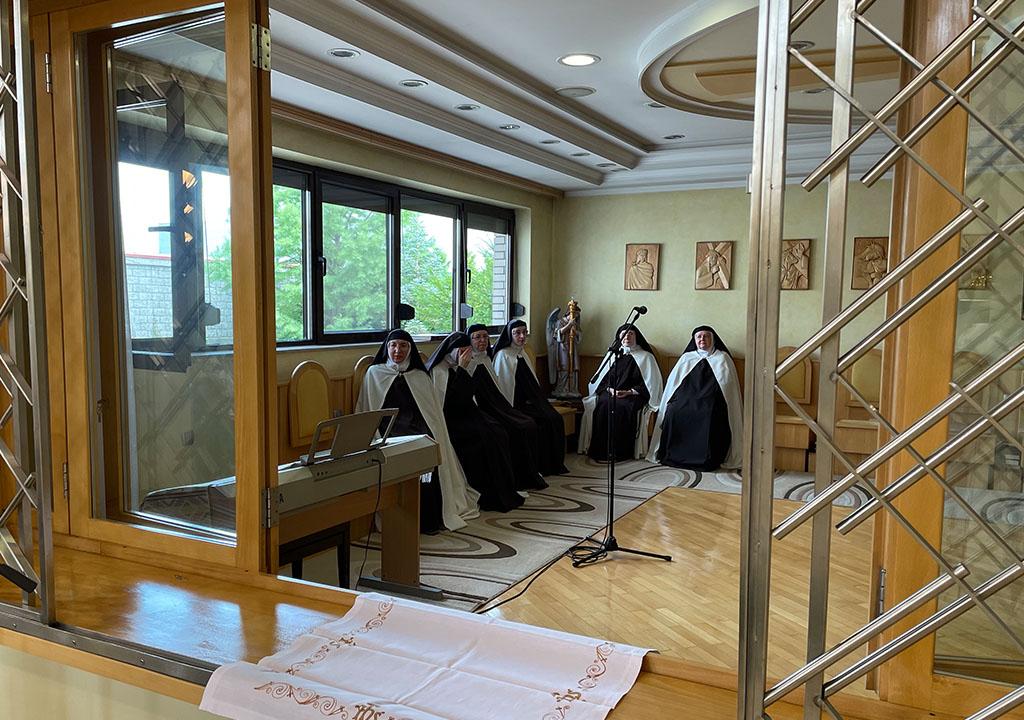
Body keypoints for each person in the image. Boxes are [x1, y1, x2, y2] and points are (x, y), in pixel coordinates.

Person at [355, 329, 480, 533]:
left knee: (429, 445)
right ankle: (405, 518)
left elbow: (431, 412)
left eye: (403, 346)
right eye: (393, 345)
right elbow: (367, 410)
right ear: (387, 348)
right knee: (408, 450)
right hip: (389, 429)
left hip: (417, 425)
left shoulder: (419, 375)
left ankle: (429, 519)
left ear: (410, 349)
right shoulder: (375, 373)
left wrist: (432, 431)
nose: (398, 350)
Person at [426, 332, 524, 512]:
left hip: (468, 414)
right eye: (461, 352)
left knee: (498, 430)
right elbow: (451, 403)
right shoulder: (438, 371)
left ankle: (502, 490)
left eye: (467, 352)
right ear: (452, 351)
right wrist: (462, 370)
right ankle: (487, 492)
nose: (465, 356)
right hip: (451, 421)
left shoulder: (458, 366)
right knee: (484, 437)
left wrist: (463, 370)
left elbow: (468, 397)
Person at [647, 325, 743, 470]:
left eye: (706, 336)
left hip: (713, 400)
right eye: (699, 336)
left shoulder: (722, 358)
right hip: (686, 398)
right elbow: (674, 386)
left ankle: (706, 460)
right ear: (694, 340)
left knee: (708, 413)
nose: (702, 339)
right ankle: (673, 455)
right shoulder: (687, 358)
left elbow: (727, 388)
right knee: (673, 410)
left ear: (713, 339)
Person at [466, 323, 548, 490]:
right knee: (516, 428)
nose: (482, 340)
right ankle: (515, 477)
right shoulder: (467, 362)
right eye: (477, 337)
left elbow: (496, 389)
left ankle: (528, 474)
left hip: (498, 407)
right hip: (482, 411)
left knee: (528, 423)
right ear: (470, 340)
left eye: (485, 336)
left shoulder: (486, 358)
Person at [491, 319, 569, 476]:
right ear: (509, 335)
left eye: (524, 332)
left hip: (530, 403)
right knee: (540, 421)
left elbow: (532, 383)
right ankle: (539, 466)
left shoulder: (522, 353)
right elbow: (505, 388)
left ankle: (552, 465)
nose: (522, 336)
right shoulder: (503, 355)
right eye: (517, 333)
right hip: (514, 405)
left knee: (555, 418)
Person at [579, 323, 664, 461]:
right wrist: (610, 389)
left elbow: (650, 384)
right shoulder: (612, 355)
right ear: (619, 337)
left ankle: (621, 451)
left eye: (631, 334)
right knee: (604, 404)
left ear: (637, 337)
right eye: (624, 334)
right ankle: (601, 449)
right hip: (610, 392)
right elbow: (601, 379)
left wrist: (630, 392)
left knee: (621, 407)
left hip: (633, 395)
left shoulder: (646, 357)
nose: (627, 337)